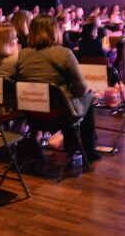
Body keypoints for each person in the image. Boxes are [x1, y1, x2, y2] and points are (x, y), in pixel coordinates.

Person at [15, 16, 100, 163]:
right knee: (88, 96)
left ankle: (71, 144)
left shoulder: (21, 55)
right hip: (60, 116)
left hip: (32, 115)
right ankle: (88, 151)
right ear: (55, 31)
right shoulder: (64, 53)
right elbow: (81, 88)